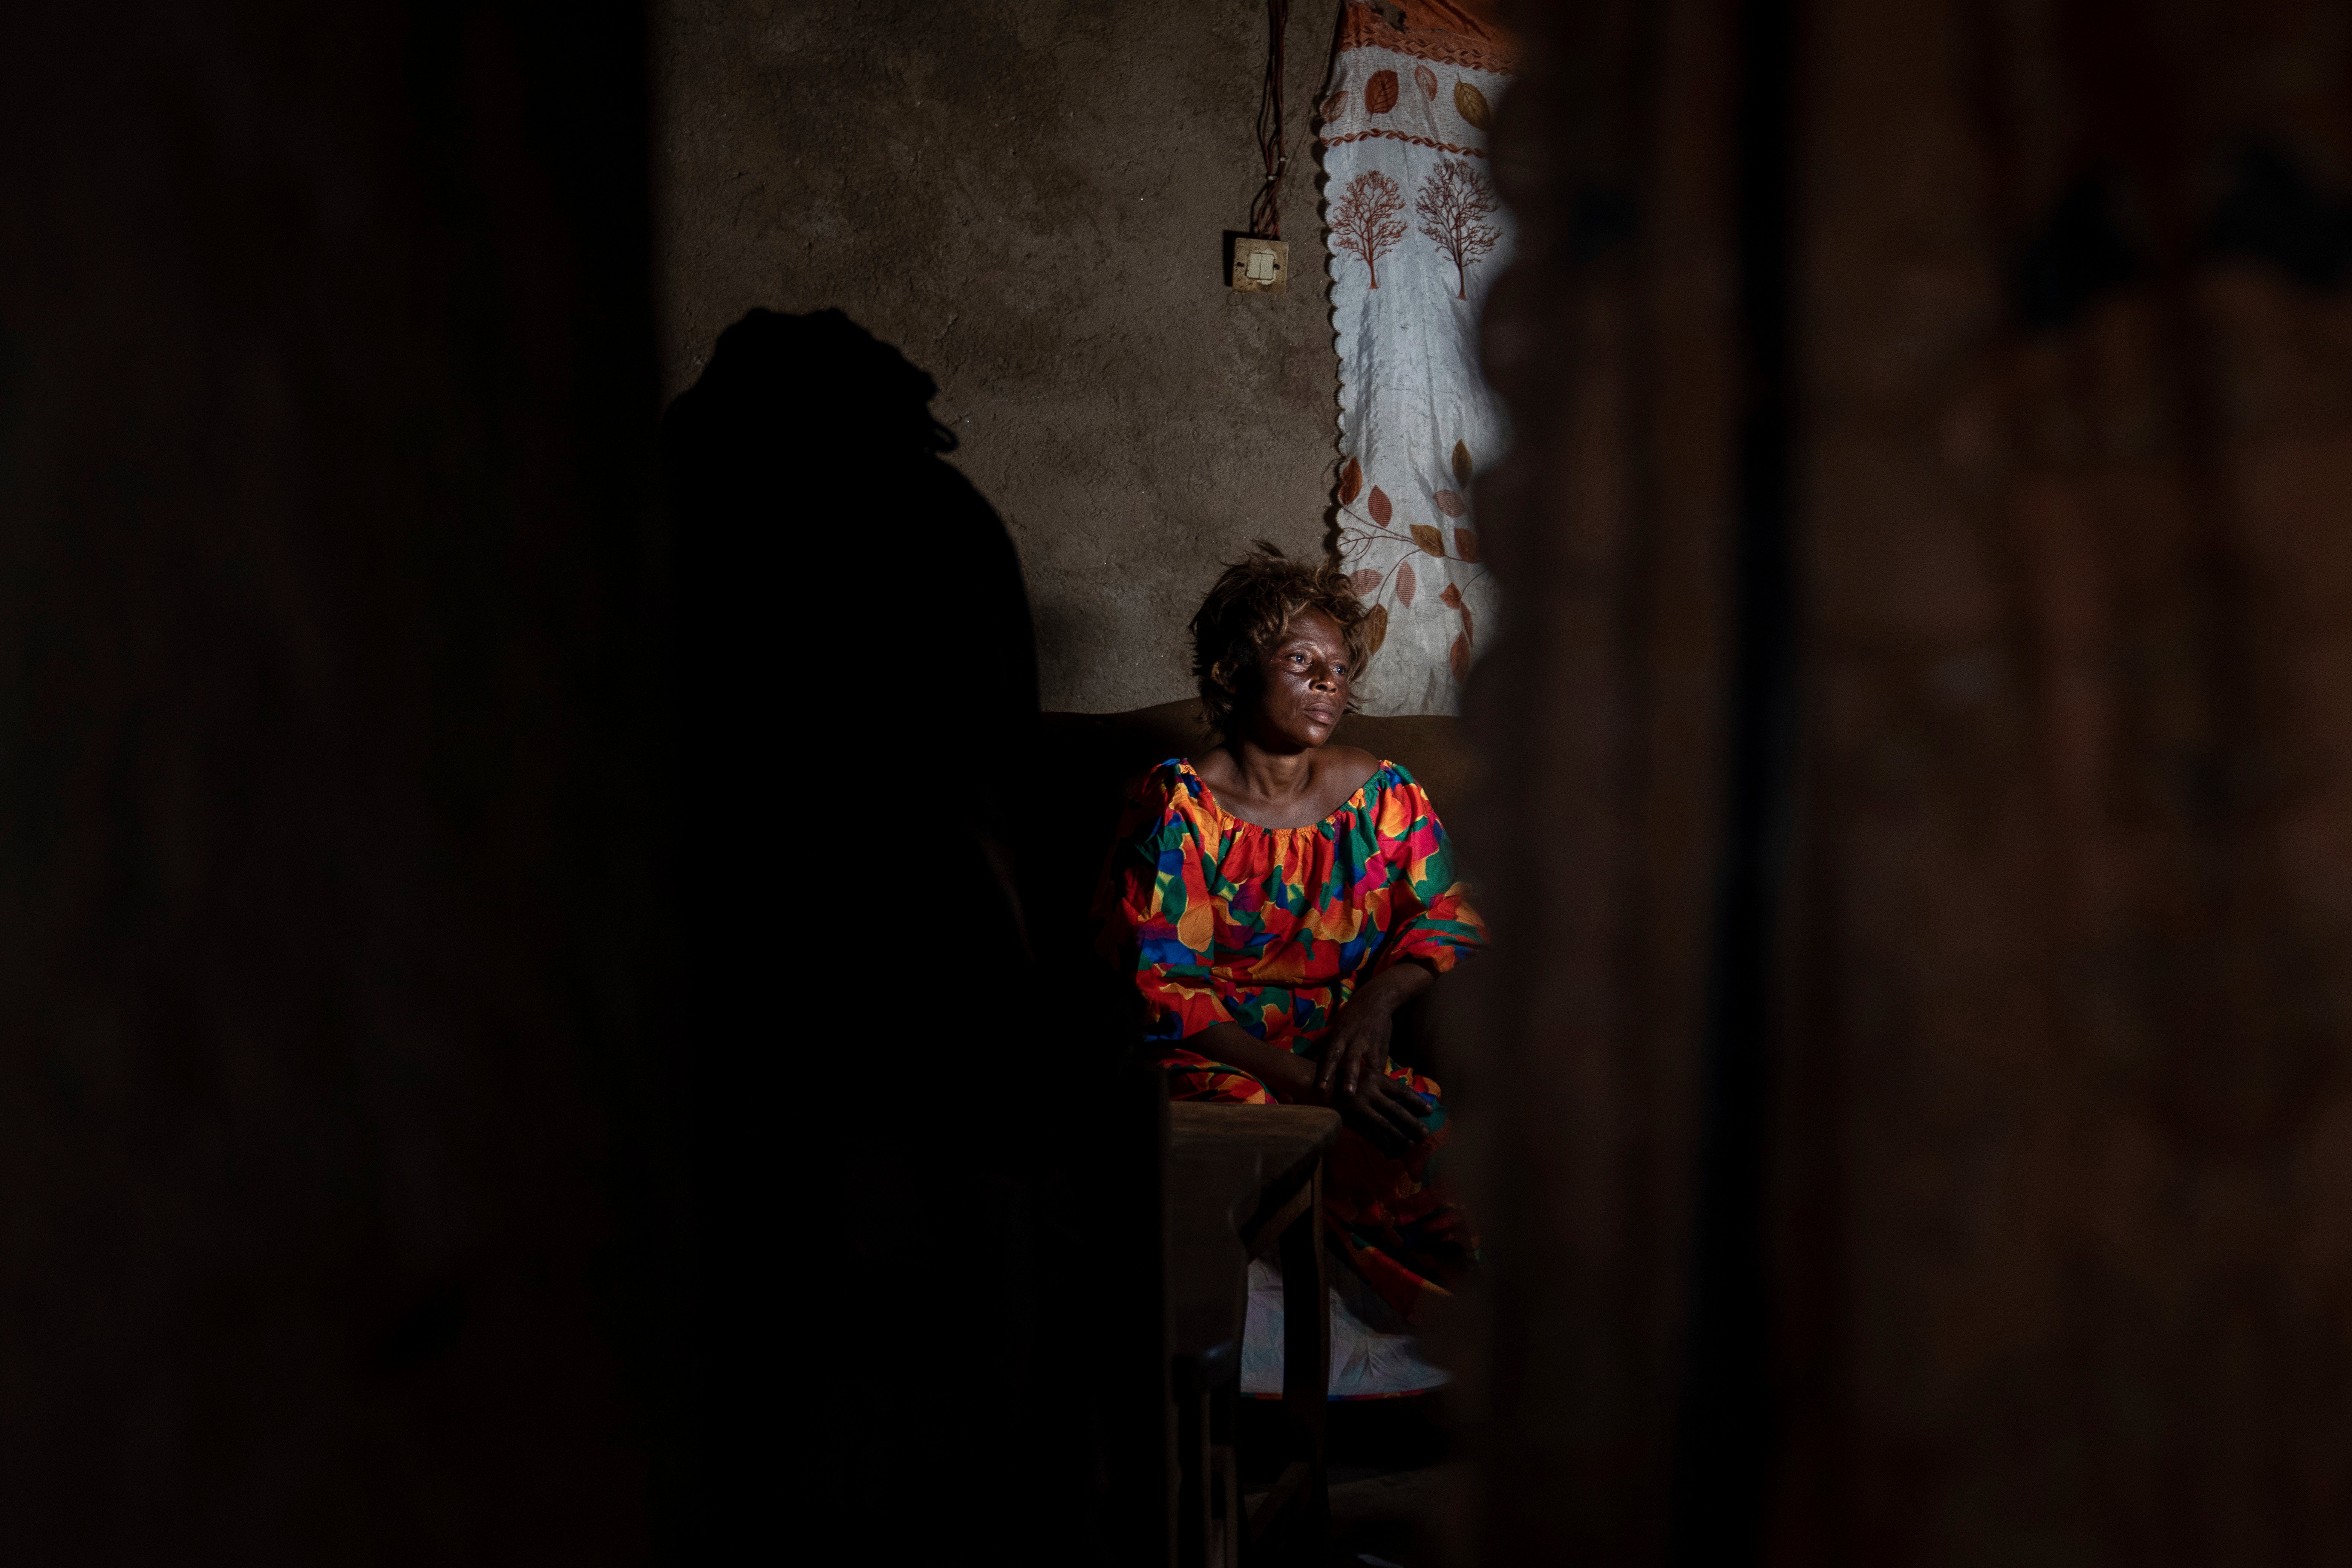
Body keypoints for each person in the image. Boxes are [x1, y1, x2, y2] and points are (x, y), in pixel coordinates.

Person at [1093, 543, 1484, 1325]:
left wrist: (1378, 998)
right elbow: (1155, 988)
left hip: (1341, 1051)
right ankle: (1282, 1360)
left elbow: (1447, 914)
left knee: (1437, 1141)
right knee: (1268, 1155)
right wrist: (1299, 1082)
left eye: (1338, 669)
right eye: (1301, 660)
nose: (1326, 684)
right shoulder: (1177, 811)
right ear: (1236, 671)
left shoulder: (1382, 797)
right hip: (1215, 1061)